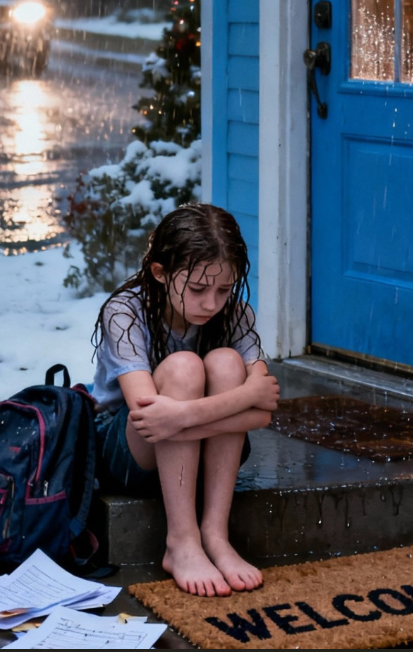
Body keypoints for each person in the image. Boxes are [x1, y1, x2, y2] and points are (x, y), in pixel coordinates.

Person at [91, 202, 279, 597]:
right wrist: (243, 398)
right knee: (183, 368)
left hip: (184, 440)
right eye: (197, 289)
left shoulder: (235, 314)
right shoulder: (124, 312)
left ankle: (214, 533)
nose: (211, 304)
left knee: (227, 362)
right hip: (126, 453)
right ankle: (181, 540)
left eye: (223, 290)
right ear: (160, 272)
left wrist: (182, 417)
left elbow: (263, 415)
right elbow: (147, 418)